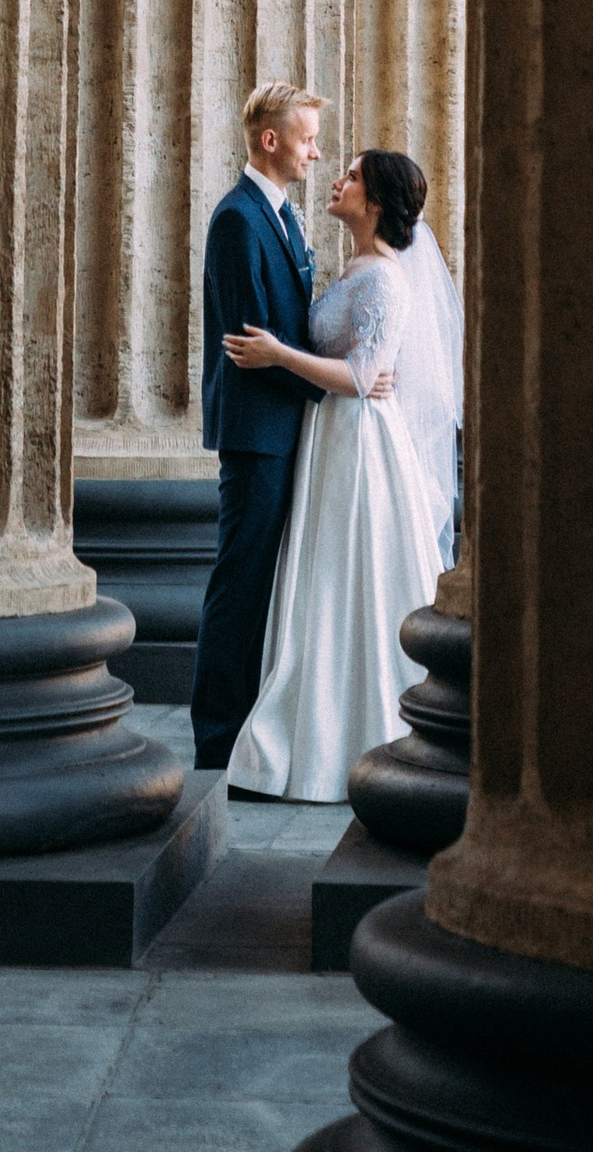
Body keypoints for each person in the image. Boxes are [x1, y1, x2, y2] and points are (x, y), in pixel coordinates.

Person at [223, 146, 461, 803]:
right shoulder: (357, 265)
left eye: (352, 176)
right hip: (333, 436)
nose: (337, 179)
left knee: (348, 576)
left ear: (377, 203)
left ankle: (357, 734)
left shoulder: (385, 277)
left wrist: (279, 354)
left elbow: (360, 378)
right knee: (327, 579)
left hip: (360, 446)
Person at [188, 81, 328, 769]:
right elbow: (253, 342)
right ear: (270, 140)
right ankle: (217, 743)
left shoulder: (282, 215)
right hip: (256, 432)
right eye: (306, 140)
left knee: (261, 586)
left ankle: (248, 734)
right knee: (240, 585)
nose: (316, 153)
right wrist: (338, 389)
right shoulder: (238, 218)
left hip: (282, 426)